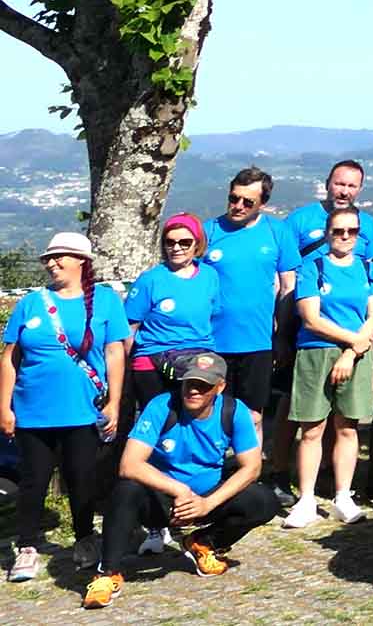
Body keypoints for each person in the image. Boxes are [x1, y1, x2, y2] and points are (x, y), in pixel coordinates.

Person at [80, 350, 277, 608]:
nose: (193, 391)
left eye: (203, 386)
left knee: (264, 500)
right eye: (189, 383)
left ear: (220, 387)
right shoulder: (162, 406)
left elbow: (251, 468)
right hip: (164, 501)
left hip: (207, 500)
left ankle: (204, 543)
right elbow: (129, 465)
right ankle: (108, 573)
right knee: (125, 490)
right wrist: (179, 490)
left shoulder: (234, 411)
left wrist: (208, 503)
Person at [2, 231, 129, 580]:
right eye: (48, 258)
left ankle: (85, 538)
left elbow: (115, 352)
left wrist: (115, 402)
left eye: (60, 256)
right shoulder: (30, 302)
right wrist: (4, 407)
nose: (52, 263)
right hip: (32, 412)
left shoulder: (105, 301)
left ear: (81, 262)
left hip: (83, 410)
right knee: (33, 482)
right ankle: (27, 547)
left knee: (82, 480)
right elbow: (10, 358)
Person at [280, 205, 373, 529]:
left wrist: (351, 352)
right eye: (339, 231)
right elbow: (310, 317)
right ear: (328, 233)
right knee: (311, 429)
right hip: (315, 352)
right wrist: (353, 341)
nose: (345, 237)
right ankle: (306, 499)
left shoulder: (369, 270)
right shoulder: (312, 268)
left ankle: (343, 496)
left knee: (347, 427)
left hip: (357, 354)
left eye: (352, 231)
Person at [202, 167, 290, 420]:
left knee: (253, 416)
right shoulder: (209, 231)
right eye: (233, 198)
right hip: (212, 341)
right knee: (211, 413)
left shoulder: (277, 231)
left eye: (247, 201)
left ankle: (250, 461)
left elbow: (287, 286)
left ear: (262, 203)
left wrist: (282, 334)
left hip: (258, 341)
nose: (238, 206)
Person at [119, 214, 219, 435]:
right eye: (170, 242)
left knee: (195, 422)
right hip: (152, 360)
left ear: (197, 244)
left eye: (184, 242)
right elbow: (129, 328)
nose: (177, 247)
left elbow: (213, 317)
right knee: (159, 423)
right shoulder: (150, 280)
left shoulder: (210, 276)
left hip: (197, 359)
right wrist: (127, 367)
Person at [283, 161, 373, 263]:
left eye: (352, 186)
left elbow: (369, 265)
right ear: (327, 184)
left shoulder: (368, 224)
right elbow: (282, 262)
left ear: (359, 189)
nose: (344, 192)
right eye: (340, 184)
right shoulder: (299, 219)